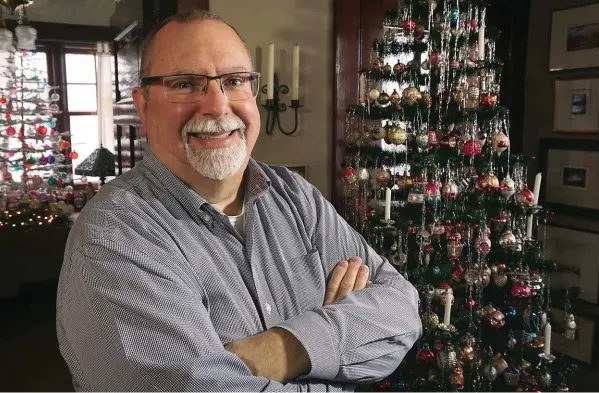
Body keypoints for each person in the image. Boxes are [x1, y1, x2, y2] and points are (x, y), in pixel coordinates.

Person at [56, 9, 422, 392]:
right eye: (184, 84)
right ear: (143, 107)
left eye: (233, 81)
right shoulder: (114, 235)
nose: (217, 105)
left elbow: (402, 309)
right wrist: (344, 350)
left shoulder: (296, 196)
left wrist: (288, 349)